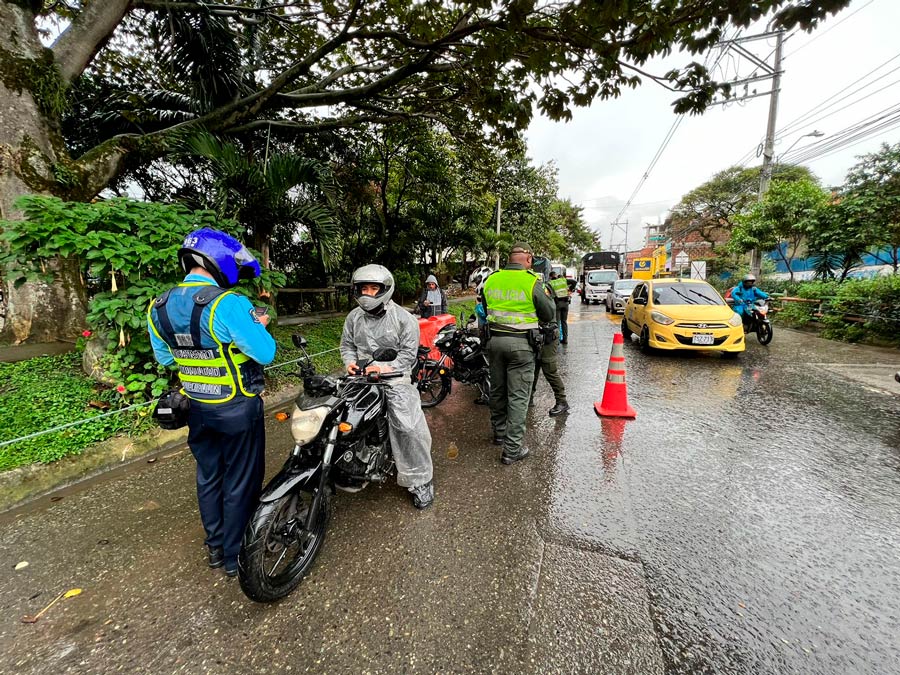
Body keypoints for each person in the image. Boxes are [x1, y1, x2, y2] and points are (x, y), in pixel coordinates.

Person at [147, 228, 276, 578]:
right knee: (240, 480)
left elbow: (166, 359)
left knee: (209, 477)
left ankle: (216, 548)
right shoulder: (229, 303)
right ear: (220, 262)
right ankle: (236, 556)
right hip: (237, 408)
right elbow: (265, 352)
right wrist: (259, 326)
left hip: (197, 409)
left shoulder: (158, 305)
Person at [341, 264, 435, 509]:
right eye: (363, 289)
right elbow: (347, 346)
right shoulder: (353, 317)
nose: (368, 294)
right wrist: (350, 363)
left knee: (408, 425)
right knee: (335, 414)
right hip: (360, 376)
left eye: (373, 289)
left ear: (385, 289)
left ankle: (420, 479)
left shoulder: (404, 319)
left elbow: (407, 356)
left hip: (395, 377)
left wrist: (383, 368)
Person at [481, 242, 556, 465]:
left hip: (494, 343)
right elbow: (548, 313)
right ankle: (512, 449)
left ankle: (499, 433)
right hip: (522, 346)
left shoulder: (492, 279)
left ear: (509, 258)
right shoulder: (532, 281)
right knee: (518, 397)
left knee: (497, 390)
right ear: (529, 259)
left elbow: (485, 308)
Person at [531, 283, 569, 417]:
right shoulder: (535, 286)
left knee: (549, 369)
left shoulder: (541, 288)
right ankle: (529, 399)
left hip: (547, 335)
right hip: (536, 335)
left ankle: (562, 401)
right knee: (532, 369)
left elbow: (547, 312)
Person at [548, 270, 571, 344]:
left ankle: (557, 341)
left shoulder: (551, 283)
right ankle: (565, 339)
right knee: (564, 322)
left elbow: (550, 295)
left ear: (550, 277)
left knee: (557, 322)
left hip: (558, 303)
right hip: (566, 303)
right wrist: (571, 289)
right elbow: (573, 282)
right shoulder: (563, 280)